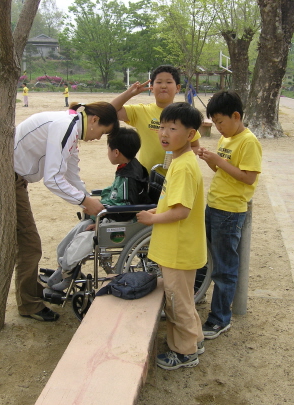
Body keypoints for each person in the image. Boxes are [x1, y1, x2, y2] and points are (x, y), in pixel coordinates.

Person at [0, 102, 120, 322]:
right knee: (29, 245)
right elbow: (53, 179)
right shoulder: (66, 126)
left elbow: (72, 174)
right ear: (94, 120)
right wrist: (85, 201)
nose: (97, 138)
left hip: (12, 178)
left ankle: (32, 296)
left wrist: (87, 203)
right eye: (102, 132)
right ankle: (29, 305)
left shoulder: (72, 127)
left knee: (26, 242)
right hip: (6, 178)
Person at [136, 102, 206, 370]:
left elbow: (181, 211)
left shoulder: (184, 166)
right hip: (178, 248)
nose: (164, 133)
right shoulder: (179, 160)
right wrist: (158, 208)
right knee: (183, 298)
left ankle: (185, 352)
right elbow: (173, 203)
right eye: (161, 127)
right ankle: (195, 340)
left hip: (178, 249)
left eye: (173, 128)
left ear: (190, 135)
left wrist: (153, 218)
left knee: (178, 303)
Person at [46, 127, 151, 291]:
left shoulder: (128, 177)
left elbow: (127, 208)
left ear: (116, 152)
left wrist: (101, 218)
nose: (107, 152)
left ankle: (67, 272)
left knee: (86, 236)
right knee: (79, 228)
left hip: (122, 220)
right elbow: (117, 193)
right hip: (113, 215)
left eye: (108, 148)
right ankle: (63, 266)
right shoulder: (129, 167)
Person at [197, 90, 262, 339]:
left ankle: (220, 318)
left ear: (236, 116)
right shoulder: (226, 139)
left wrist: (219, 161)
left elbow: (248, 177)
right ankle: (202, 295)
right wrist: (209, 159)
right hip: (214, 205)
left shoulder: (248, 141)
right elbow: (221, 170)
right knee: (205, 258)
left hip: (230, 211)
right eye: (214, 122)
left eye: (220, 122)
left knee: (224, 268)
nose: (218, 127)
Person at [111, 65, 201, 176]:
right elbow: (110, 111)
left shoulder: (184, 115)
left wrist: (179, 158)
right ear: (152, 87)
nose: (163, 86)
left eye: (168, 82)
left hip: (174, 176)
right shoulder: (141, 111)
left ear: (178, 88)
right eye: (158, 82)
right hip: (146, 177)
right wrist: (130, 93)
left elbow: (195, 146)